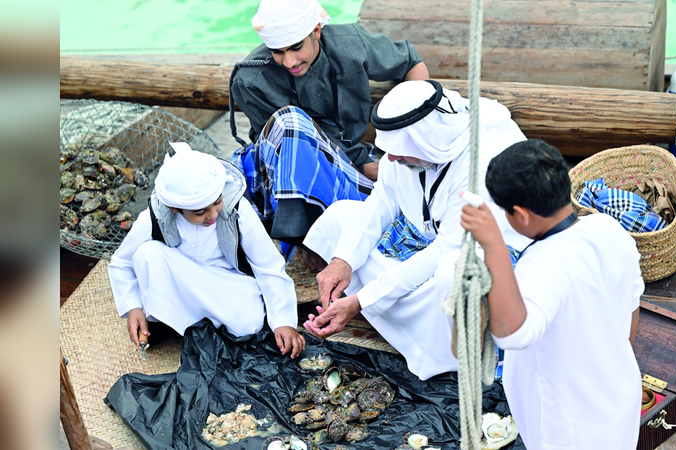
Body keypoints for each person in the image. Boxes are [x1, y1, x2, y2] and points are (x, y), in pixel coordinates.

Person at [301, 80, 531, 380]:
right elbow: (382, 198)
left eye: (399, 151)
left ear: (426, 140)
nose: (392, 158)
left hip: (485, 250)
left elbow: (447, 248)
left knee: (454, 274)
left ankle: (440, 355)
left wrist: (362, 300)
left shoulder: (482, 160)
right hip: (430, 238)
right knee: (340, 216)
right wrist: (342, 260)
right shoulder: (415, 143)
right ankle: (392, 317)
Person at [454, 139, 642, 449]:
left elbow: (512, 335)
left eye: (505, 212)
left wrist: (494, 246)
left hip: (568, 422)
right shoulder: (608, 228)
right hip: (617, 392)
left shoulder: (544, 262)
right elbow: (632, 308)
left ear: (522, 215)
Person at [228, 0, 430, 269]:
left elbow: (411, 62)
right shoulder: (251, 79)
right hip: (282, 176)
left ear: (316, 31)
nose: (289, 61)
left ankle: (332, 232)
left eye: (296, 47)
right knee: (292, 123)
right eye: (278, 52)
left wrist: (409, 135)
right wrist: (369, 167)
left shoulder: (350, 43)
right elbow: (289, 152)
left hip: (352, 165)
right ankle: (304, 238)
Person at [108, 143, 306, 358]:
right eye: (200, 212)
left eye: (217, 202)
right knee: (148, 253)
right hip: (181, 280)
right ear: (175, 208)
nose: (212, 215)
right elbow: (122, 263)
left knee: (250, 324)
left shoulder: (237, 210)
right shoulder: (154, 216)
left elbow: (269, 266)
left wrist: (284, 321)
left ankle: (185, 324)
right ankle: (184, 323)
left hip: (227, 283)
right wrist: (133, 307)